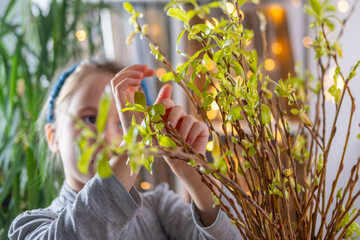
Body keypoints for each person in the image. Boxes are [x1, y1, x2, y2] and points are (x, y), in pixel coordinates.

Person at [8, 60, 239, 239]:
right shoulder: (31, 227)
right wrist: (134, 147)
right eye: (90, 118)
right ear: (53, 136)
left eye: (122, 122)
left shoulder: (160, 207)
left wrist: (196, 177)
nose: (106, 136)